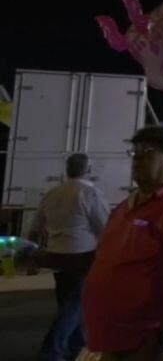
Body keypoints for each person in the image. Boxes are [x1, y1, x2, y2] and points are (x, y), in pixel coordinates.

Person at [82, 126, 163, 360]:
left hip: (151, 342)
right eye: (135, 152)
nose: (138, 158)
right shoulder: (128, 205)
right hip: (117, 337)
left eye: (148, 151)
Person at [28, 153, 110, 361]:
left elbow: (35, 228)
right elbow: (104, 227)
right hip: (83, 256)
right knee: (75, 305)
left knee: (68, 302)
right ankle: (52, 351)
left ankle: (75, 347)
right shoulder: (90, 193)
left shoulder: (52, 193)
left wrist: (32, 255)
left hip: (56, 255)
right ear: (89, 170)